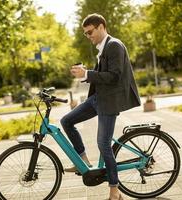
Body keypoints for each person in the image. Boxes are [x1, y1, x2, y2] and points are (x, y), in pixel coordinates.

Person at [60, 13, 141, 200]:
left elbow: (114, 76)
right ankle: (84, 161)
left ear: (101, 26)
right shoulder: (103, 47)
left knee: (103, 145)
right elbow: (101, 74)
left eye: (90, 32)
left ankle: (114, 190)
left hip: (110, 101)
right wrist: (84, 74)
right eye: (85, 34)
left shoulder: (114, 46)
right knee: (67, 121)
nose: (88, 36)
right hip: (98, 98)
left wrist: (87, 73)